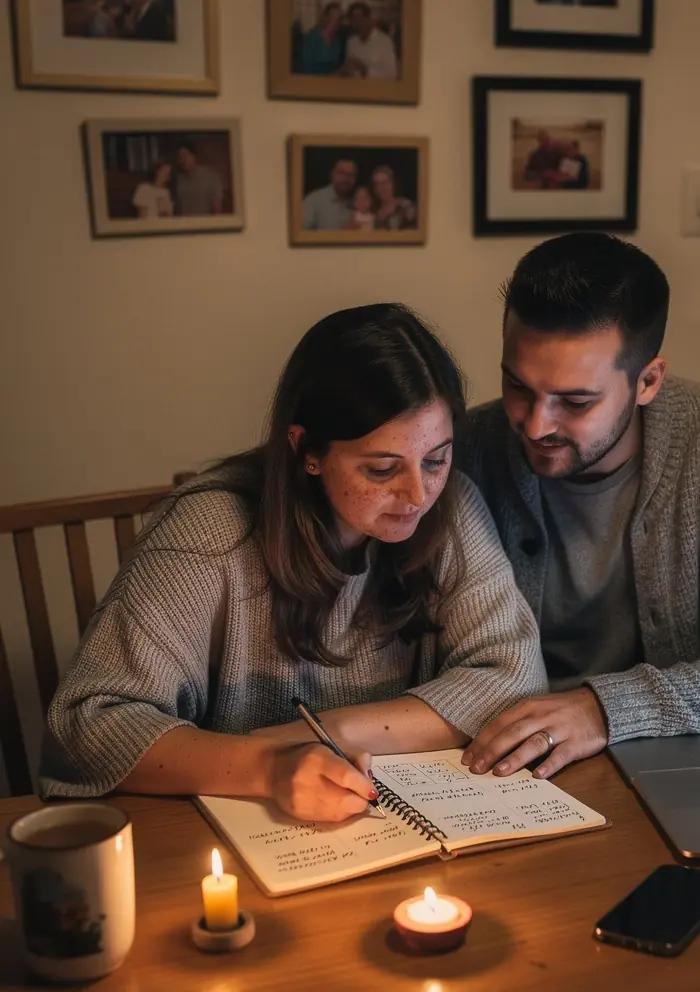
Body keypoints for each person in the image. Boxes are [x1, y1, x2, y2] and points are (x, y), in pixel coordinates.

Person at [40, 304, 547, 821]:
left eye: (436, 458)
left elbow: (516, 680)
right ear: (307, 449)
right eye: (380, 469)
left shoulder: (452, 508)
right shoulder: (210, 533)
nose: (419, 493)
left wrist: (326, 733)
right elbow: (86, 728)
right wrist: (270, 766)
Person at [457, 232, 700, 782]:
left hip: (676, 762)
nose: (536, 424)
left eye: (576, 401)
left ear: (648, 381)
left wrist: (606, 709)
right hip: (502, 770)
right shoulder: (463, 450)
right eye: (517, 385)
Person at [342, 1, 398, 80]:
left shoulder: (385, 42)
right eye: (353, 20)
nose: (356, 24)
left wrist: (364, 69)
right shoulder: (351, 41)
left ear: (368, 18)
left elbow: (391, 74)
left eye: (359, 19)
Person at [302, 157, 358, 230]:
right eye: (341, 173)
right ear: (332, 174)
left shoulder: (357, 201)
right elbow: (301, 234)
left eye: (350, 175)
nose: (346, 179)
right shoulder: (314, 200)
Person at [174, 141, 223, 216]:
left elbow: (217, 207)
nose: (183, 160)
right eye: (180, 157)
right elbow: (178, 209)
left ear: (193, 156)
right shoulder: (179, 180)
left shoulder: (210, 176)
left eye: (185, 155)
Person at [296, 1, 345, 75]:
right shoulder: (312, 38)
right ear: (325, 17)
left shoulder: (338, 40)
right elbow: (306, 68)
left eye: (339, 18)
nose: (336, 21)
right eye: (333, 17)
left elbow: (335, 66)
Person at [371, 165, 416, 230]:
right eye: (376, 184)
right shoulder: (372, 212)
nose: (380, 188)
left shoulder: (406, 207)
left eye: (384, 183)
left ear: (393, 184)